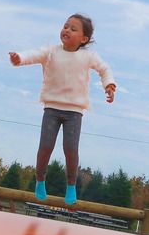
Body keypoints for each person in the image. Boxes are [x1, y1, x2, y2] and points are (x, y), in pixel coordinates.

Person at [9, 13, 116, 205]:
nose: (67, 30)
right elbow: (32, 55)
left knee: (70, 149)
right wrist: (19, 58)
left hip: (74, 111)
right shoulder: (51, 52)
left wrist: (109, 85)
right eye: (65, 26)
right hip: (51, 107)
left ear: (84, 39)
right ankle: (40, 180)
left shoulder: (88, 56)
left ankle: (71, 185)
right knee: (45, 147)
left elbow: (104, 69)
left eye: (73, 29)